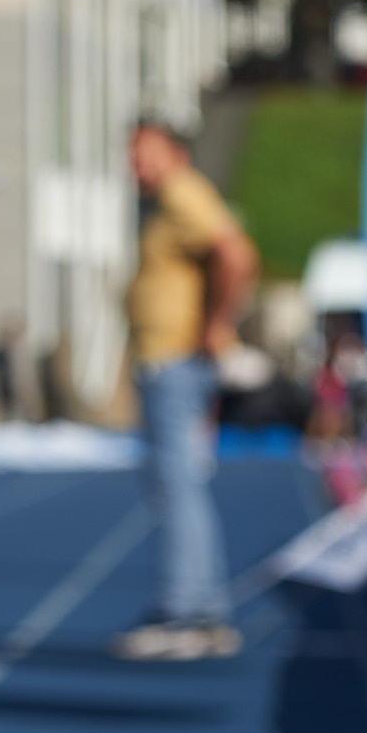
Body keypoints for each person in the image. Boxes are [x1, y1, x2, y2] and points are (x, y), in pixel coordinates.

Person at [111, 117, 259, 661]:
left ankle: (185, 611)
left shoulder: (182, 193)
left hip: (175, 360)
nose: (136, 164)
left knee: (176, 484)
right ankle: (199, 605)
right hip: (166, 360)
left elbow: (236, 254)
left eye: (144, 152)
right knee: (177, 483)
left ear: (173, 151)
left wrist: (215, 325)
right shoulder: (165, 200)